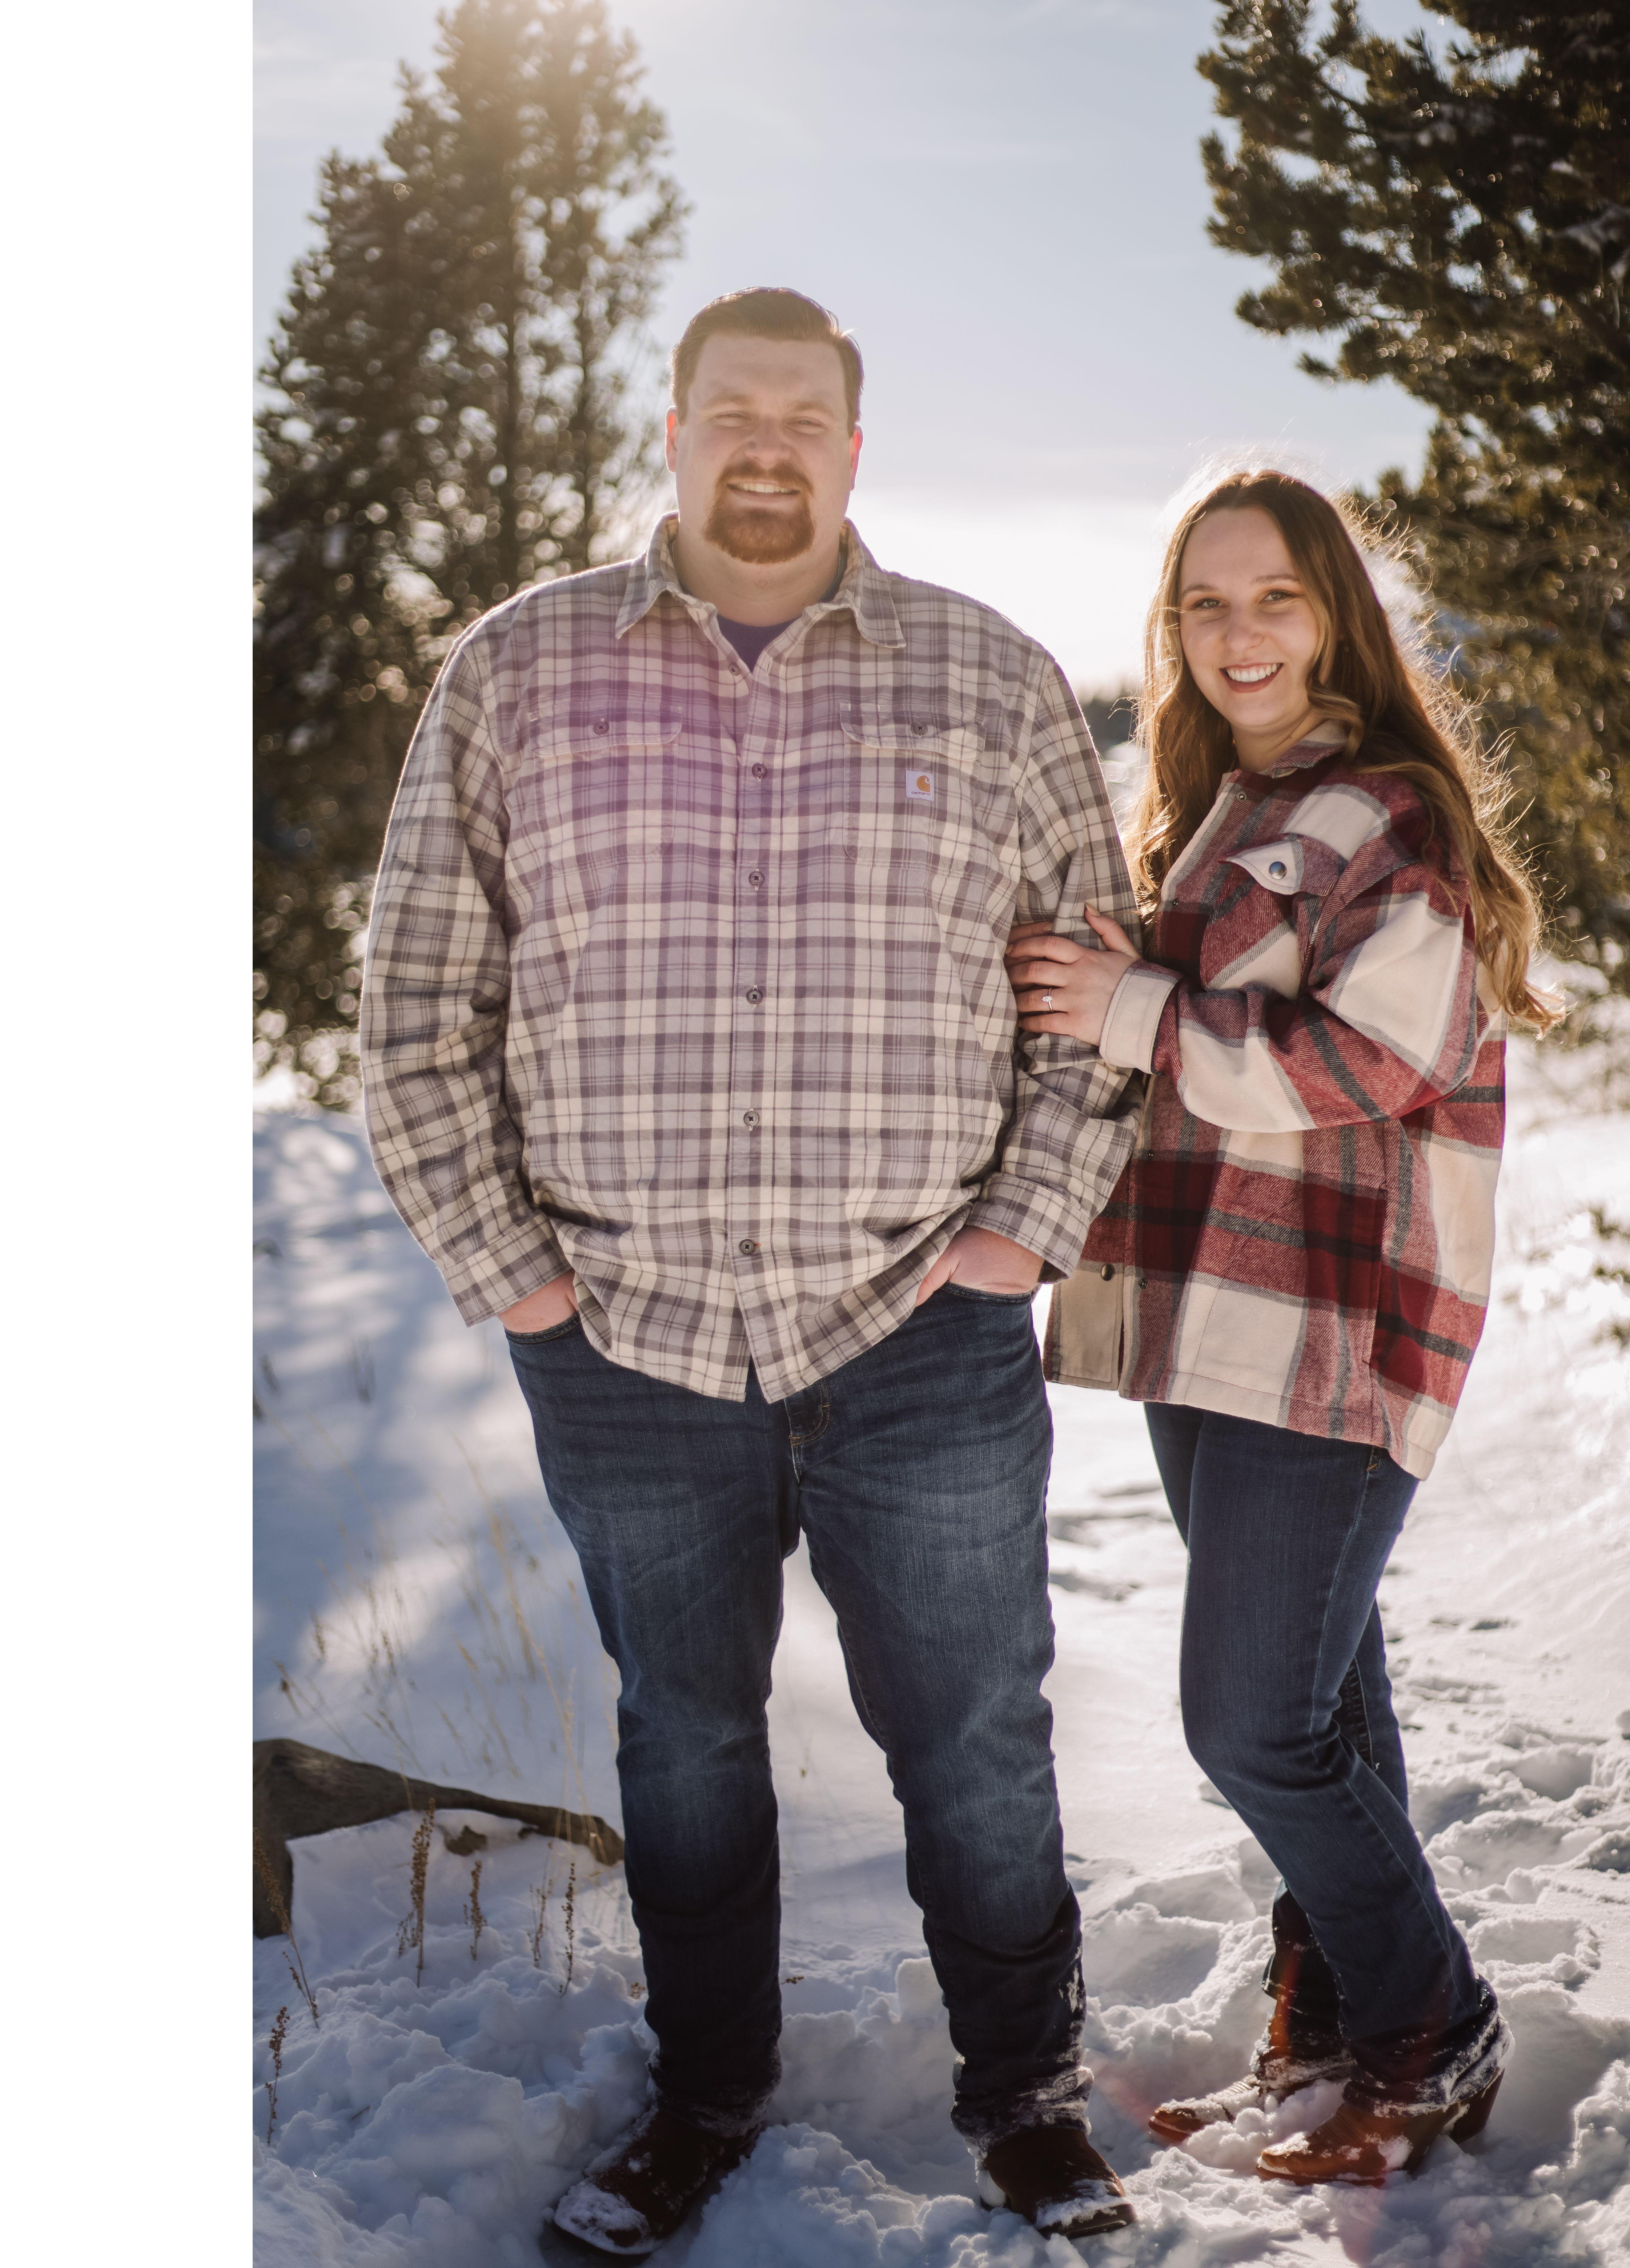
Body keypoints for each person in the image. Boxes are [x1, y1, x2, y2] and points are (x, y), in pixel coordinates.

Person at [361, 287, 1143, 2253]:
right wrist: (518, 1279)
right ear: (678, 430)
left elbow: (1098, 1009)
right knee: (687, 1741)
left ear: (854, 448)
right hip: (623, 1336)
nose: (768, 444)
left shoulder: (990, 678)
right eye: (734, 410)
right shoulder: (518, 669)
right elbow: (417, 1011)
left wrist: (1016, 1242)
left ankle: (1028, 2094)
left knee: (975, 1736)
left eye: (805, 415)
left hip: (922, 1329)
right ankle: (706, 2095)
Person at [1006, 467, 1564, 2186]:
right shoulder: (1217, 811)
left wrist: (1134, 1004)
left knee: (1251, 1722)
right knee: (1324, 1699)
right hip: (1210, 1313)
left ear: (1338, 617)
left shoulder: (1389, 820)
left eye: (1275, 599)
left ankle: (1435, 2022)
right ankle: (1336, 2034)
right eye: (1204, 604)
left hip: (1333, 1324)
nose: (1237, 634)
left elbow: (1373, 1063)